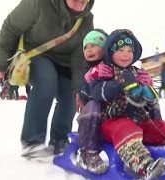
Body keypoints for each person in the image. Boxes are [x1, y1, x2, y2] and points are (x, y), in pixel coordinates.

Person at [90, 29, 165, 179]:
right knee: (126, 129)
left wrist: (147, 88)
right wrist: (118, 84)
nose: (126, 54)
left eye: (129, 50)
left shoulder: (136, 72)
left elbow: (148, 96)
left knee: (162, 128)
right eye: (121, 50)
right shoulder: (105, 71)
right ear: (110, 52)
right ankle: (145, 166)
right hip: (112, 122)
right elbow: (98, 92)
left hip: (138, 120)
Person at [0, 0, 95, 158]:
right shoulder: (39, 3)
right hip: (34, 53)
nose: (79, 5)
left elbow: (79, 57)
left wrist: (78, 88)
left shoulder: (86, 20)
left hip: (64, 62)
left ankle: (60, 140)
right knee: (46, 82)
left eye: (84, 1)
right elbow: (11, 27)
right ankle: (32, 141)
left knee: (70, 95)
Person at [74, 29, 110, 174]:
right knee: (93, 104)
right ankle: (86, 152)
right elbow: (85, 93)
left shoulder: (112, 68)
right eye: (86, 47)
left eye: (94, 45)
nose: (89, 50)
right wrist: (81, 92)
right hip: (91, 121)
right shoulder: (86, 72)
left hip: (111, 117)